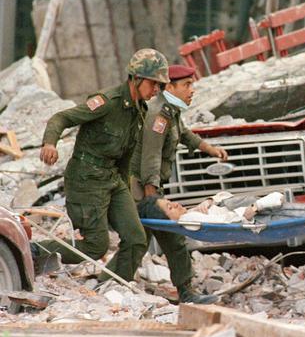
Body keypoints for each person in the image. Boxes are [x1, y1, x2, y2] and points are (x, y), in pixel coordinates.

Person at [37, 49, 170, 282]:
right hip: (85, 180)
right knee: (95, 246)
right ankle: (32, 251)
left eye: (161, 86)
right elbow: (61, 118)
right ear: (136, 78)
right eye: (154, 84)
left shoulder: (140, 111)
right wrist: (50, 143)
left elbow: (126, 158)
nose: (157, 91)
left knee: (136, 238)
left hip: (112, 179)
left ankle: (113, 284)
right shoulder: (107, 102)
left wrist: (127, 197)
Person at [126, 64, 227, 303]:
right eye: (187, 85)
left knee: (139, 242)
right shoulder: (158, 114)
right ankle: (186, 293)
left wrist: (210, 149)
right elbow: (150, 157)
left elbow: (183, 134)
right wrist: (153, 198)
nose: (192, 90)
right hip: (142, 189)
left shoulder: (170, 111)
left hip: (148, 188)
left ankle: (112, 281)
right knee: (169, 239)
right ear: (169, 87)